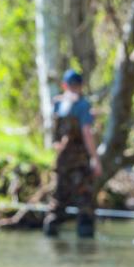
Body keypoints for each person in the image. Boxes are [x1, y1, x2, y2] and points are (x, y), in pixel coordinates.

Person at [43, 69, 102, 238]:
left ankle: (50, 232)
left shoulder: (57, 104)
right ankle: (86, 244)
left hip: (61, 160)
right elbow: (87, 133)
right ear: (81, 86)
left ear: (64, 85)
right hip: (80, 161)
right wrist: (95, 158)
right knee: (85, 199)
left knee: (59, 198)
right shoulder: (82, 105)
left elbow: (54, 135)